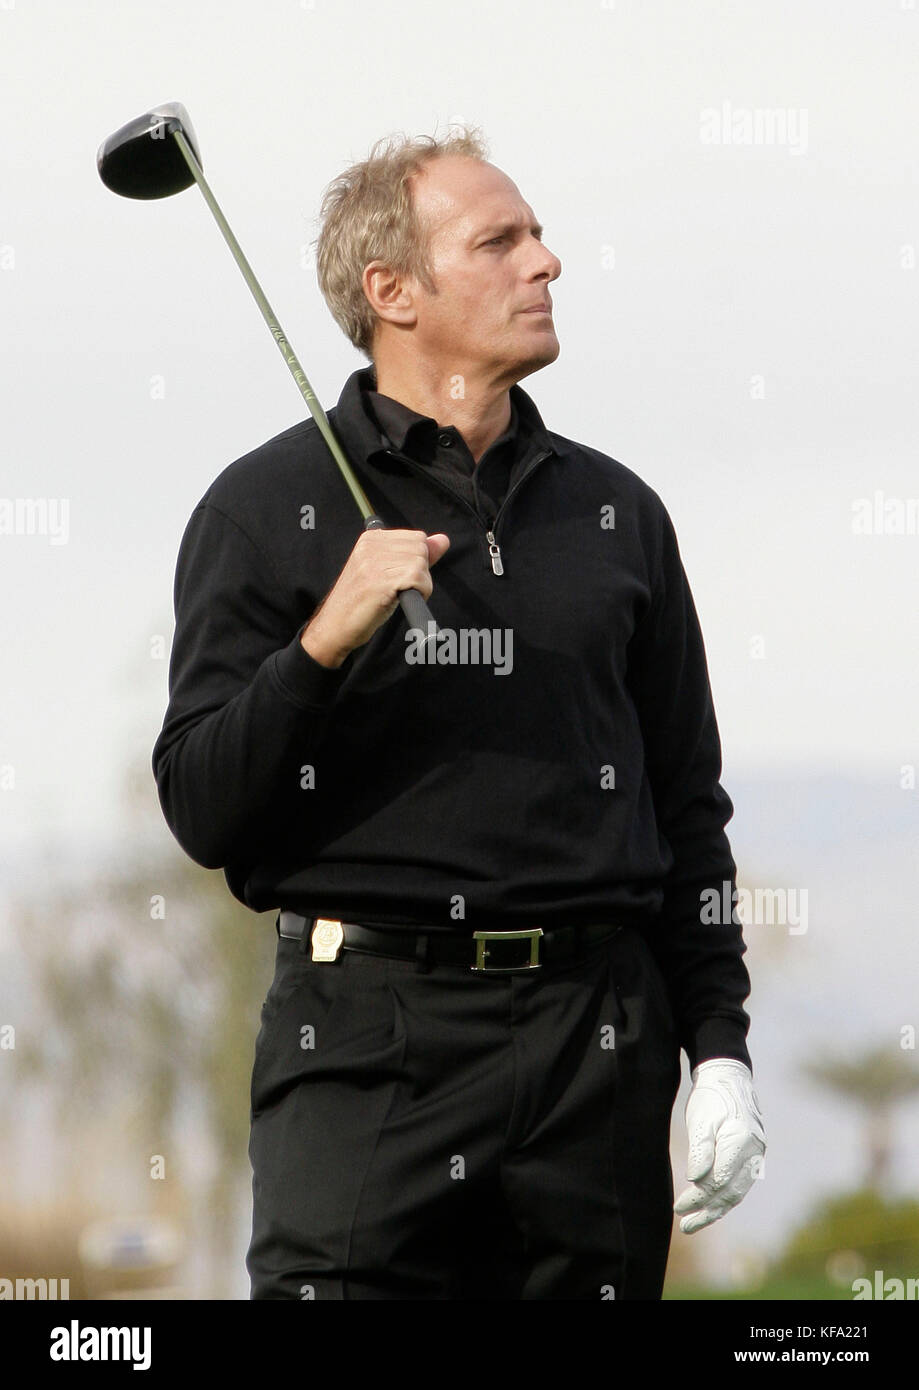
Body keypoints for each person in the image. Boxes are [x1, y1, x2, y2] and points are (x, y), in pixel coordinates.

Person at [151, 127, 766, 1300]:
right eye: (502, 240)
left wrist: (720, 1045)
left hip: (598, 1047)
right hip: (367, 1043)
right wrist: (325, 641)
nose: (548, 262)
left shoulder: (617, 514)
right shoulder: (261, 507)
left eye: (537, 234)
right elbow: (201, 803)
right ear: (392, 291)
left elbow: (686, 803)